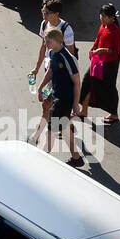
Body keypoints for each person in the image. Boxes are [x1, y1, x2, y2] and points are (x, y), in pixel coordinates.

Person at [36, 27, 82, 165]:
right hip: (55, 95)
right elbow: (50, 71)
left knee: (50, 131)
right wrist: (40, 88)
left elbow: (77, 82)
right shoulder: (52, 53)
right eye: (45, 41)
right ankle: (76, 158)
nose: (45, 44)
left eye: (48, 41)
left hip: (64, 100)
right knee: (64, 127)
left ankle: (41, 159)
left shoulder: (68, 58)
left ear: (57, 41)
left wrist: (75, 103)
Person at [79, 3, 120, 125]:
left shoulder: (114, 31)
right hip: (97, 61)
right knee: (88, 81)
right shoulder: (104, 25)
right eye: (101, 15)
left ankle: (114, 114)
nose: (101, 18)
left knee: (108, 88)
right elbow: (98, 38)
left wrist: (101, 50)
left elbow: (117, 51)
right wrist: (93, 48)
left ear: (112, 18)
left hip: (108, 65)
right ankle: (84, 110)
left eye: (104, 16)